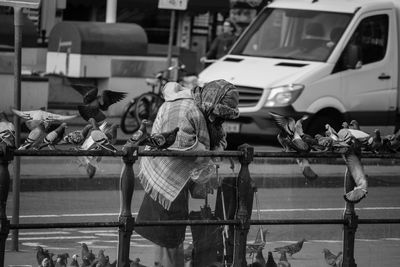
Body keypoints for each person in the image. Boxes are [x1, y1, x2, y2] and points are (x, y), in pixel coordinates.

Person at [135, 80, 240, 267]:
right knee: (168, 230)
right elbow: (184, 146)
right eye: (218, 114)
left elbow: (219, 138)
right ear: (210, 102)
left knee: (174, 227)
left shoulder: (206, 110)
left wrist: (214, 151)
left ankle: (169, 263)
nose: (219, 120)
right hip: (167, 172)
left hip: (182, 178)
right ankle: (169, 264)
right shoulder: (185, 110)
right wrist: (210, 156)